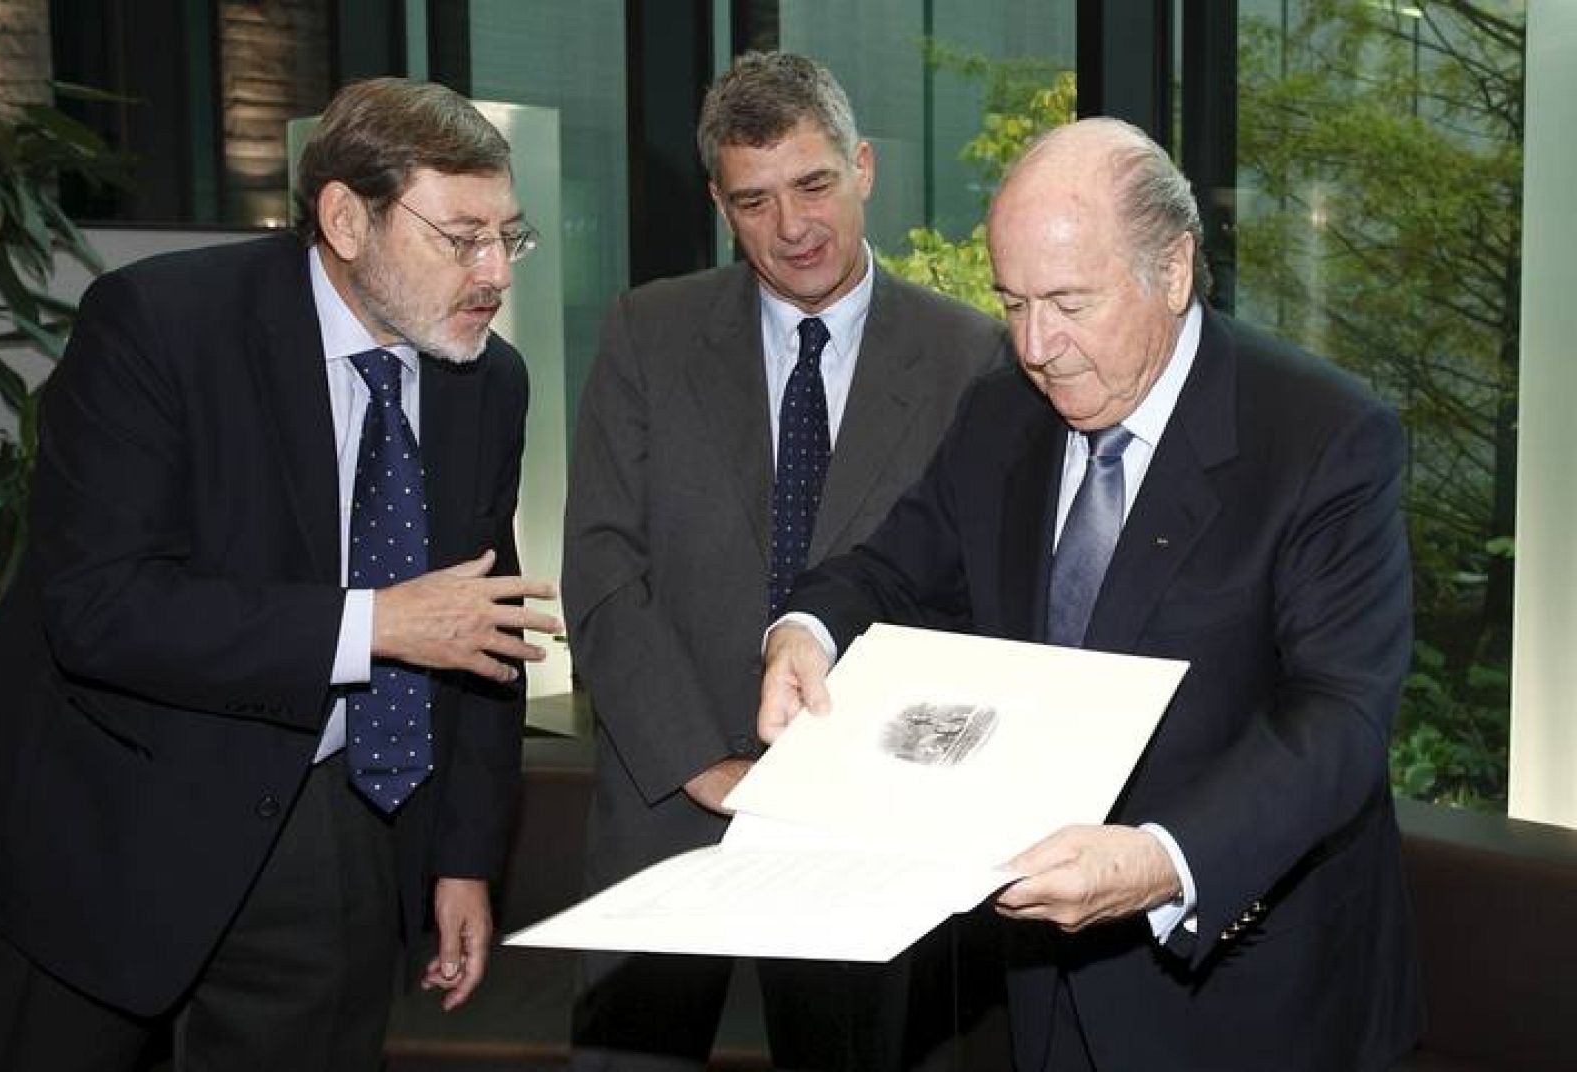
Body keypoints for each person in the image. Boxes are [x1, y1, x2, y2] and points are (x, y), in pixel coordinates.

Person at [758, 117, 1424, 1071]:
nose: (1037, 345)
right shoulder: (1002, 415)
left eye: (1069, 302)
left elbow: (1340, 721)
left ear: (1175, 269)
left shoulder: (1324, 439)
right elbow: (892, 571)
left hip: (1250, 990)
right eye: (1013, 302)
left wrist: (1164, 859)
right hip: (1041, 978)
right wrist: (807, 630)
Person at [0, 77, 562, 1072]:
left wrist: (464, 858)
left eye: (509, 235)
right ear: (344, 217)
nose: (494, 271)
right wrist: (370, 624)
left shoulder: (487, 382)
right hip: (108, 821)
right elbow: (99, 608)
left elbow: (479, 630)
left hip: (329, 820)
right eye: (459, 237)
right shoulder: (161, 324)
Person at [563, 51, 1010, 1071]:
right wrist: (700, 762)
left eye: (813, 184)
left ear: (862, 168)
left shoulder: (969, 357)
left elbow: (975, 593)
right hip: (665, 788)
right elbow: (599, 567)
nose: (792, 226)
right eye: (754, 201)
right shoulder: (648, 331)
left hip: (868, 809)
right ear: (722, 205)